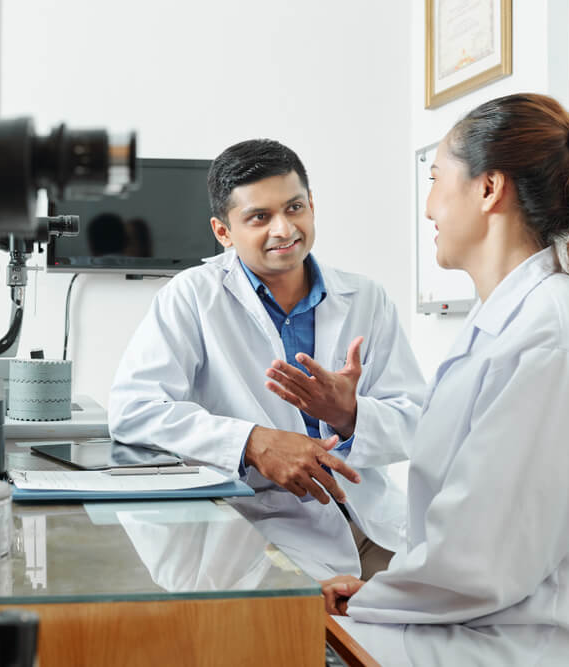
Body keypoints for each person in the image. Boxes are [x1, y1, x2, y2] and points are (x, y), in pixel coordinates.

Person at [319, 93, 569, 666]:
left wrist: (381, 599)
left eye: (436, 179)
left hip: (542, 645)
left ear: (489, 189)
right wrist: (388, 594)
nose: (428, 205)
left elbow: (486, 557)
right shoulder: (517, 319)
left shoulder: (554, 334)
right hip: (496, 621)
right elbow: (475, 530)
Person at [108, 139, 426, 580]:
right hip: (261, 535)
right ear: (223, 232)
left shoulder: (366, 298)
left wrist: (350, 415)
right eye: (259, 217)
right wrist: (252, 443)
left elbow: (415, 420)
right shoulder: (192, 296)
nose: (283, 229)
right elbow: (134, 411)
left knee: (448, 624)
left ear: (312, 205)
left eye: (295, 208)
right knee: (307, 639)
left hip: (372, 522)